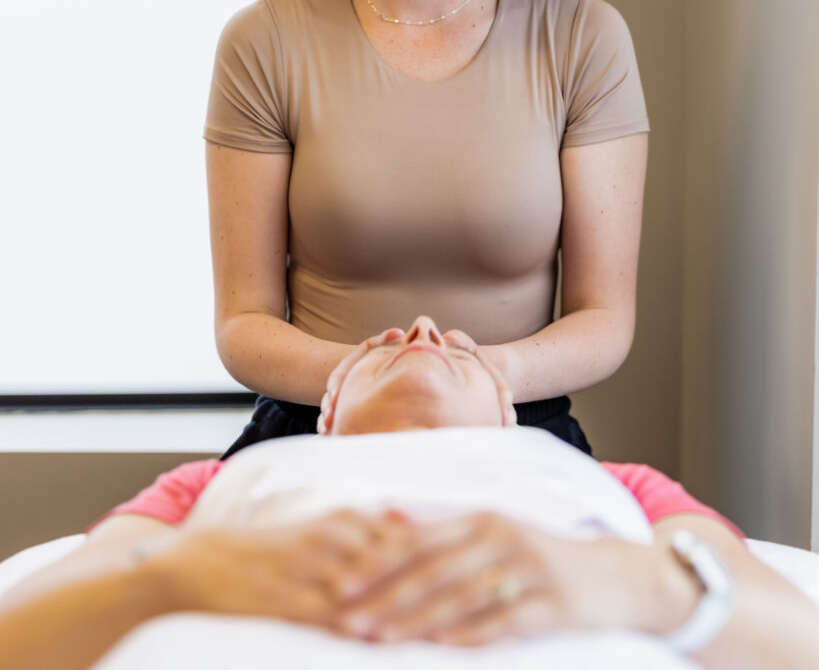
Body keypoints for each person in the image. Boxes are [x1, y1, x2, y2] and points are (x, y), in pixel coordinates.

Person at [205, 0, 650, 458]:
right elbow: (243, 325)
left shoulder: (582, 39)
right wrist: (385, 385)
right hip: (315, 431)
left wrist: (471, 382)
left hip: (514, 428)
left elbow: (603, 319)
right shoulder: (265, 44)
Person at [2, 317, 817, 670]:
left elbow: (792, 639)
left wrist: (632, 583)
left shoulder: (614, 488)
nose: (421, 329)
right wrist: (174, 579)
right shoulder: (217, 485)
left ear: (508, 413)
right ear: (325, 417)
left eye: (460, 350)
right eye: (378, 346)